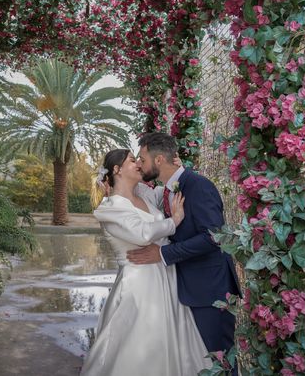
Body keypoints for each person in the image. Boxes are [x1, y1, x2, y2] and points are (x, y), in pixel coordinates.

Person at [80, 149, 211, 376]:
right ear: (117, 170)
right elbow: (142, 233)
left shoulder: (145, 196)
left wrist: (176, 169)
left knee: (175, 347)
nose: (139, 164)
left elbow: (173, 188)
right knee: (142, 349)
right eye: (133, 160)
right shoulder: (110, 208)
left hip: (167, 280)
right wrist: (174, 221)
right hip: (139, 288)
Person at [128, 132, 241, 373]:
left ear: (159, 160)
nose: (140, 163)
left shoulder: (198, 186)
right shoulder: (168, 191)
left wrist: (163, 254)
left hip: (211, 290)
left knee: (220, 360)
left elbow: (214, 237)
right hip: (189, 288)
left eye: (142, 158)